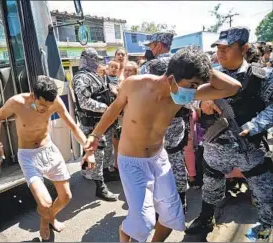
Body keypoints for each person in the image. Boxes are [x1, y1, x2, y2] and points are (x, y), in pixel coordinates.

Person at [84, 46, 242, 242]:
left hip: (159, 159)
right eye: (192, 84)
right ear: (171, 78)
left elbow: (233, 87)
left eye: (197, 85)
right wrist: (95, 135)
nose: (195, 90)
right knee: (142, 221)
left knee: (172, 216)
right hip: (132, 161)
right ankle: (125, 235)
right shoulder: (134, 85)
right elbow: (114, 109)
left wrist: (202, 66)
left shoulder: (183, 94)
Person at [186, 27, 273, 241]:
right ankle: (206, 218)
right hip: (215, 145)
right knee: (211, 186)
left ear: (244, 48)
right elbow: (186, 96)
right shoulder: (210, 75)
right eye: (218, 48)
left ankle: (266, 225)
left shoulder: (262, 77)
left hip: (249, 147)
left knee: (264, 192)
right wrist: (201, 102)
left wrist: (255, 125)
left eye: (227, 48)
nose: (220, 53)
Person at [0, 75, 95, 241]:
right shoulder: (17, 102)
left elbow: (73, 126)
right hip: (28, 156)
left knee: (66, 197)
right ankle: (45, 222)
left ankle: (50, 216)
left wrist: (88, 150)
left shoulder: (54, 102)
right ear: (33, 96)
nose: (45, 110)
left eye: (48, 107)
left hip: (49, 151)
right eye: (41, 106)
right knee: (45, 203)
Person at [146, 57, 191, 214]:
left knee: (175, 167)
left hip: (172, 138)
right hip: (157, 140)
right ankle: (165, 204)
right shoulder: (150, 91)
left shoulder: (179, 91)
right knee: (161, 171)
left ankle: (180, 199)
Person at [73, 47, 118, 201]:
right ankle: (100, 187)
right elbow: (84, 102)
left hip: (102, 120)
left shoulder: (94, 75)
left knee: (105, 151)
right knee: (97, 153)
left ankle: (103, 173)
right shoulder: (81, 78)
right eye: (94, 58)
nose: (97, 61)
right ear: (86, 59)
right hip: (91, 122)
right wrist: (107, 108)